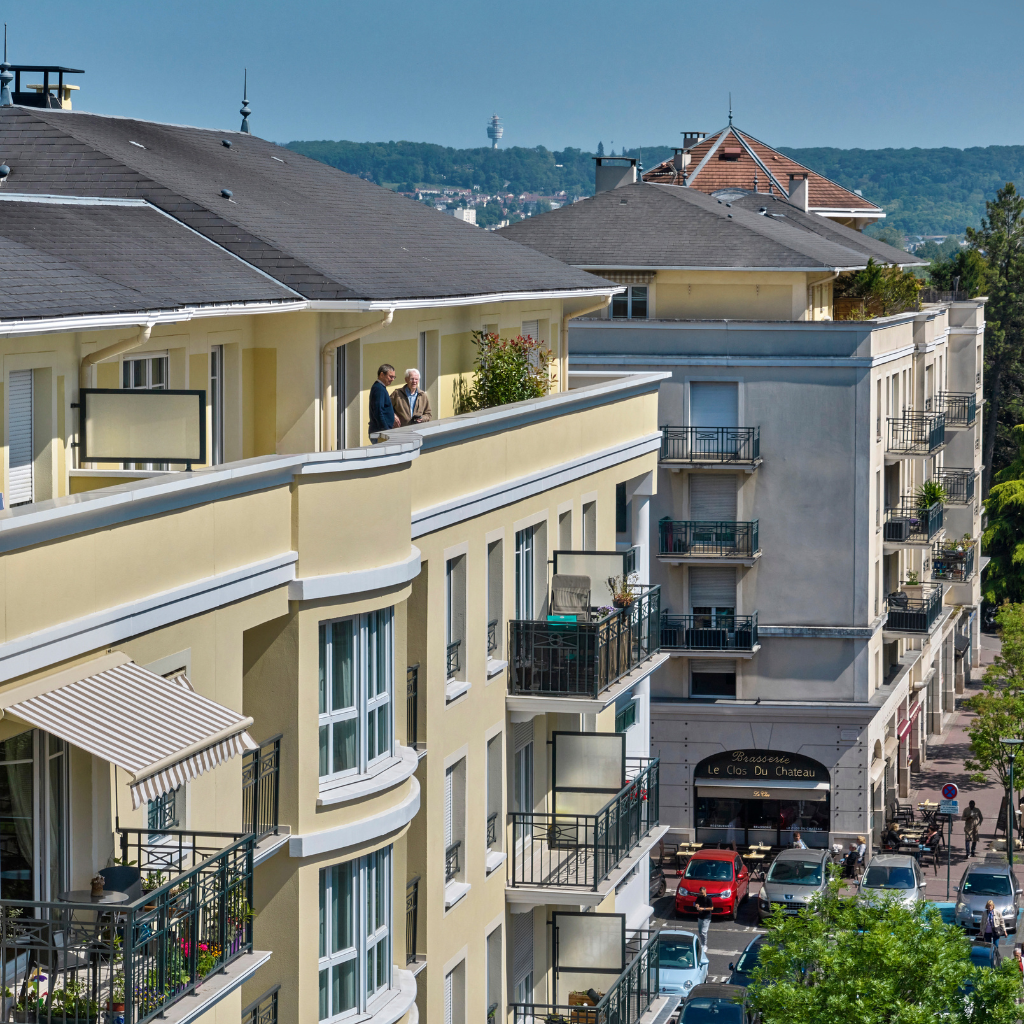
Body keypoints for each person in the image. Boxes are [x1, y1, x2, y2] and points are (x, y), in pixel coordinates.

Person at [369, 364, 399, 440]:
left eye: (394, 377)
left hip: (381, 431)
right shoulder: (379, 389)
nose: (392, 379)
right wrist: (386, 430)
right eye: (390, 376)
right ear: (382, 375)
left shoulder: (380, 387)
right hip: (380, 432)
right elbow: (378, 411)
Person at [981, 899, 1008, 965]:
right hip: (987, 932)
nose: (989, 907)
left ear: (993, 906)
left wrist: (1005, 931)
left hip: (996, 931)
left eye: (990, 906)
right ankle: (988, 958)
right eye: (988, 906)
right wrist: (981, 931)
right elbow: (982, 923)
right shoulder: (984, 913)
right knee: (988, 946)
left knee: (996, 945)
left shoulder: (997, 912)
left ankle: (996, 957)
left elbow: (1002, 922)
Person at [694, 886, 713, 952]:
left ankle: (704, 945)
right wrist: (696, 905)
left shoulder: (708, 899)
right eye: (700, 893)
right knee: (700, 932)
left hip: (707, 917)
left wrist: (703, 909)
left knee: (704, 932)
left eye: (702, 893)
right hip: (700, 916)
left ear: (705, 891)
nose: (701, 894)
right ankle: (702, 943)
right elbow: (695, 903)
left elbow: (711, 908)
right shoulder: (699, 897)